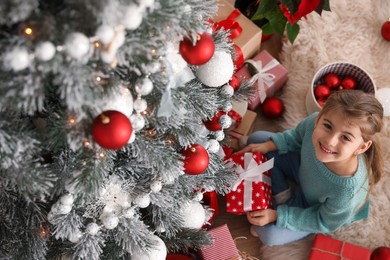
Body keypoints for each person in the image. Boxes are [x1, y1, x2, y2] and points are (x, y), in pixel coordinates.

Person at [236, 90, 384, 246]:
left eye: (346, 137)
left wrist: (278, 216)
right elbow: (294, 137)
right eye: (327, 126)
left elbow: (322, 221)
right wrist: (267, 146)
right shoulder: (313, 123)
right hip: (300, 166)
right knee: (257, 139)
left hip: (311, 204)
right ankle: (282, 193)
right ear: (319, 118)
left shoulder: (346, 192)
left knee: (269, 235)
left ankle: (282, 200)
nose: (330, 141)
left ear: (361, 147)